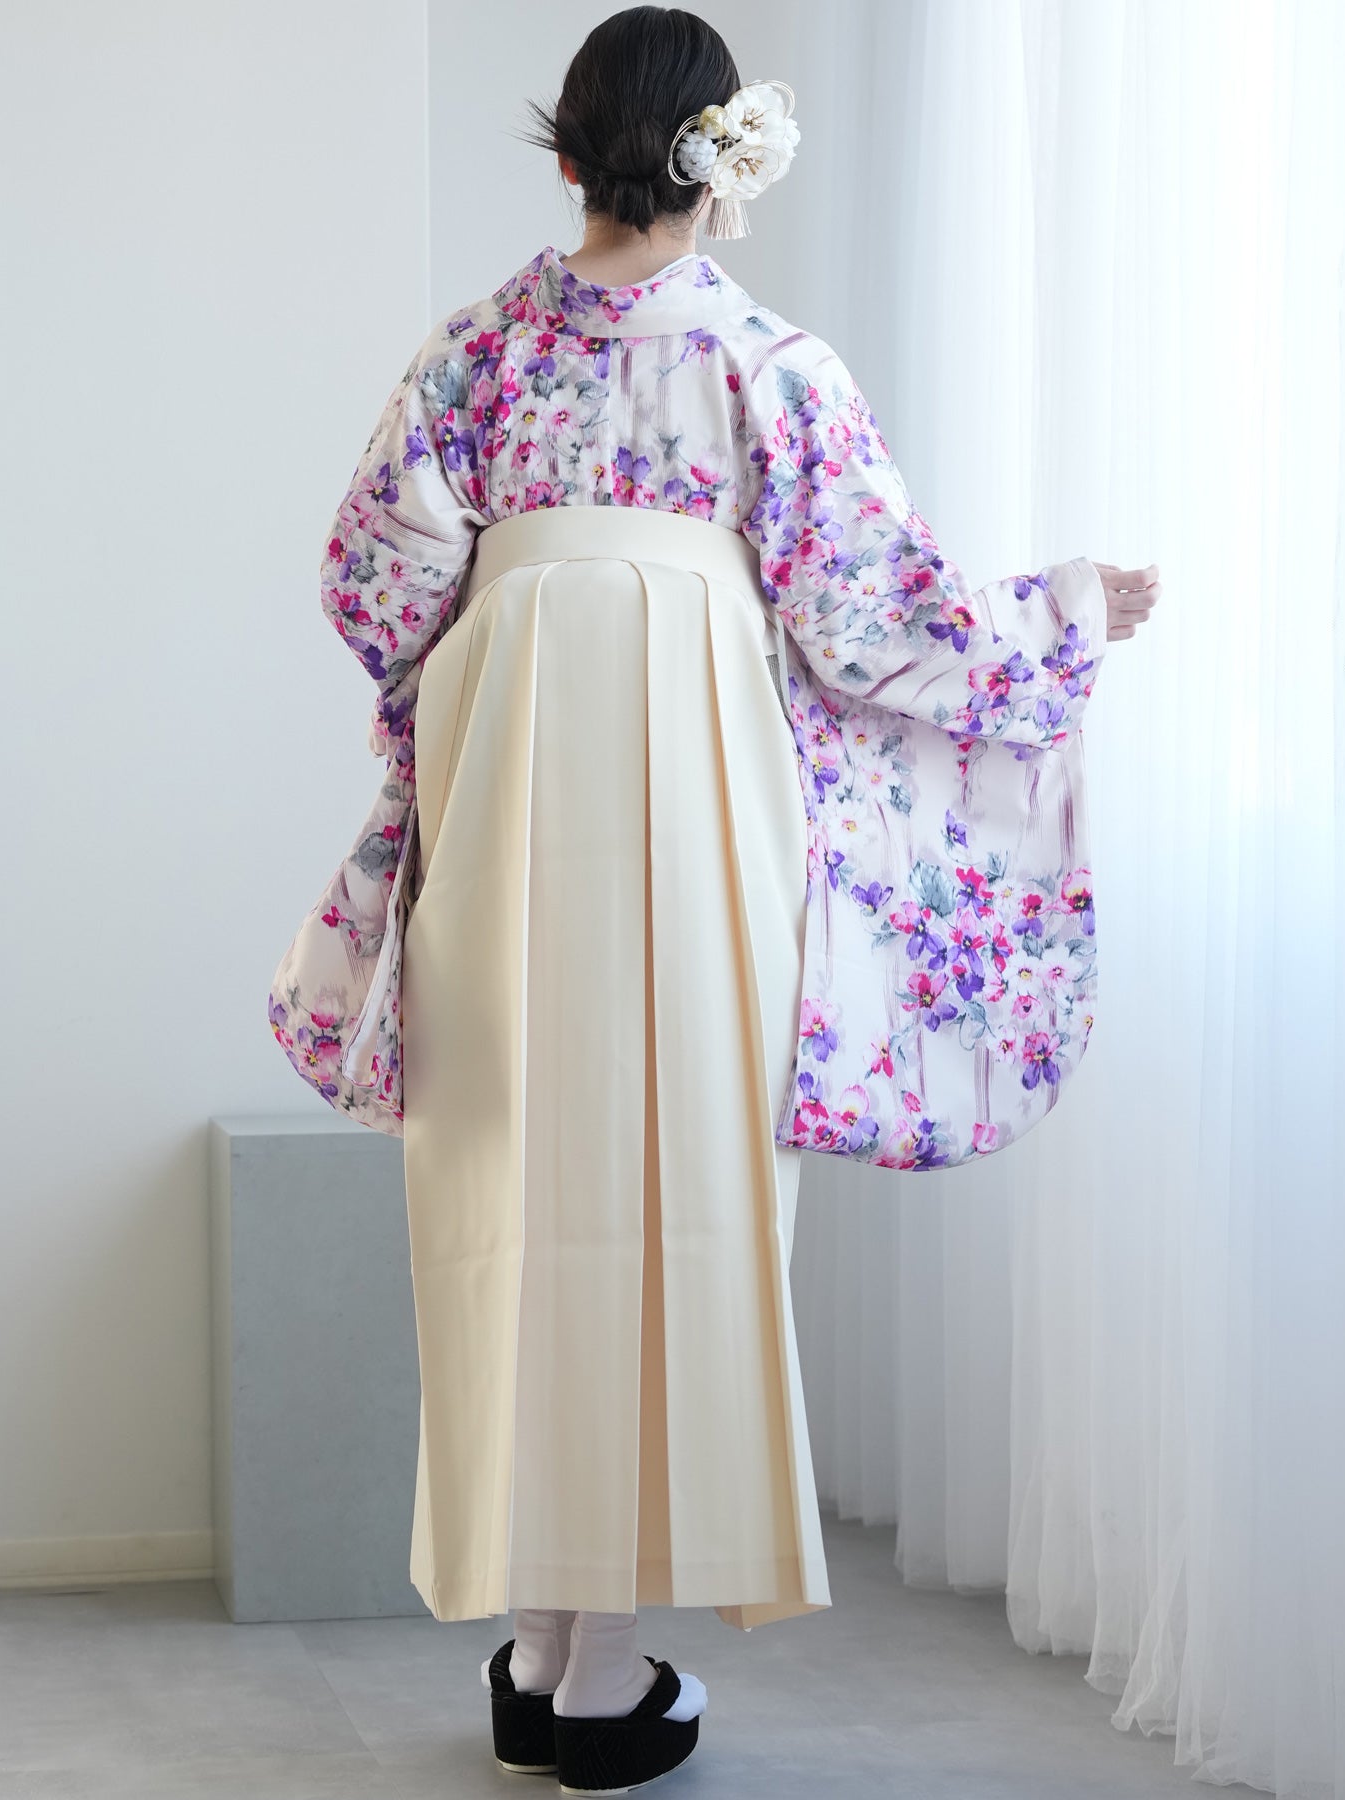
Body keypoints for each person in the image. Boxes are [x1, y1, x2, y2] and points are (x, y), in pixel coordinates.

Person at [268, 7, 1158, 1791]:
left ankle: (544, 1649)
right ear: (724, 165)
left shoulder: (472, 355)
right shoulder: (772, 366)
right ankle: (598, 1673)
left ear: (568, 155)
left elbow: (375, 585)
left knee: (510, 1190)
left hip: (508, 786)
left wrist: (505, 645)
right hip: (701, 807)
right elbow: (873, 622)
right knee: (678, 1192)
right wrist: (1060, 615)